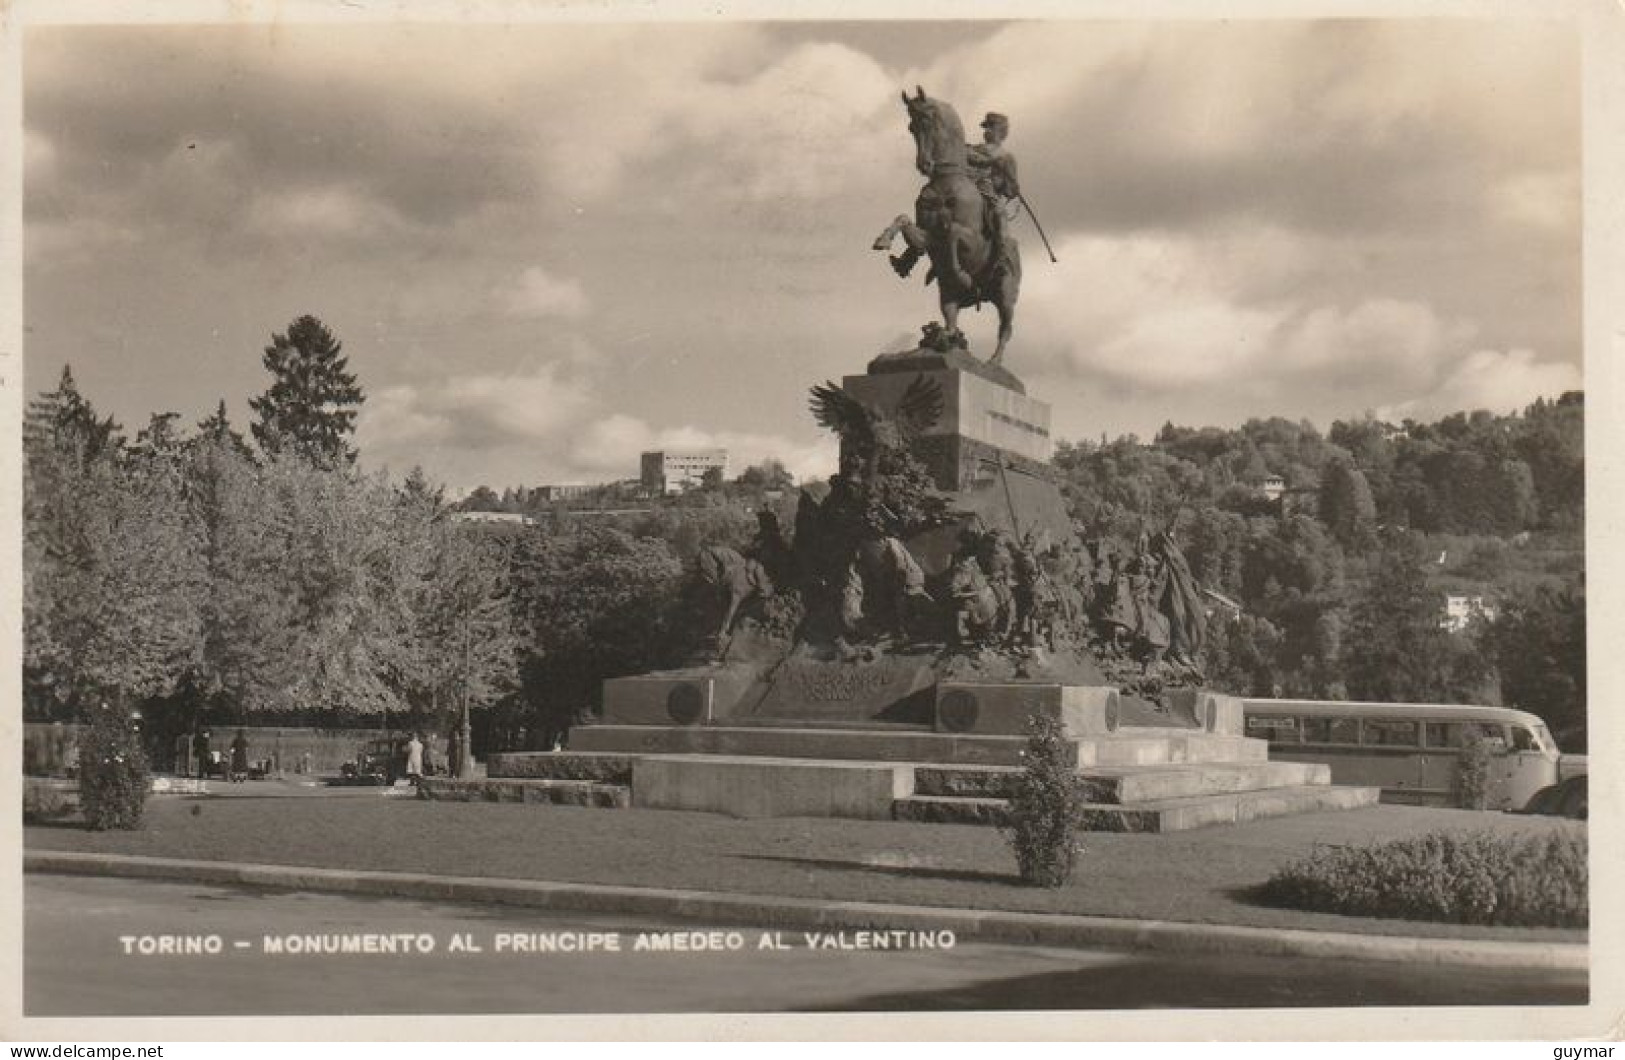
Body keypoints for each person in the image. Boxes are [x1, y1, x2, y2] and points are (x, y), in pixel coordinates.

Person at [966, 112, 1021, 255]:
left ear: (1001, 131)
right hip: (966, 187)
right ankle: (913, 252)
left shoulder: (1006, 157)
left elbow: (1011, 189)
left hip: (989, 195)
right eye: (986, 127)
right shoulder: (973, 149)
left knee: (999, 213)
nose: (987, 130)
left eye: (991, 127)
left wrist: (1009, 186)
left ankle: (1002, 255)